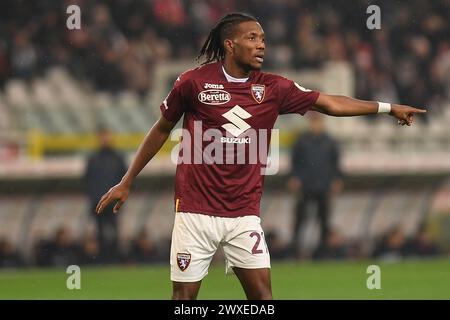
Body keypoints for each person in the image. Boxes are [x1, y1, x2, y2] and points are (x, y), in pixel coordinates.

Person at [95, 13, 426, 300]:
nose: (261, 45)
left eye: (263, 39)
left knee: (263, 297)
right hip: (195, 212)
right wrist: (127, 181)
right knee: (184, 298)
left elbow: (330, 103)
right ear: (230, 44)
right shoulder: (193, 83)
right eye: (252, 38)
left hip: (243, 214)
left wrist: (387, 107)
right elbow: (161, 129)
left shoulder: (273, 88)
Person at [288, 112, 343, 258]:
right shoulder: (301, 141)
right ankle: (295, 252)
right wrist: (294, 177)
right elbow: (295, 162)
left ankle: (322, 252)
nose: (316, 124)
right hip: (305, 186)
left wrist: (337, 179)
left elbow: (335, 163)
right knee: (300, 220)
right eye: (313, 121)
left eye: (318, 121)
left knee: (324, 221)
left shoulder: (330, 141)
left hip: (323, 186)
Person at [84, 127, 127, 263]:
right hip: (98, 202)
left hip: (113, 202)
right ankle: (102, 260)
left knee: (114, 233)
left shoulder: (118, 158)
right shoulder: (93, 159)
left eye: (106, 136)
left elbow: (125, 179)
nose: (105, 139)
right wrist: (93, 198)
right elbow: (87, 180)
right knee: (100, 233)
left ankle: (115, 259)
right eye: (102, 136)